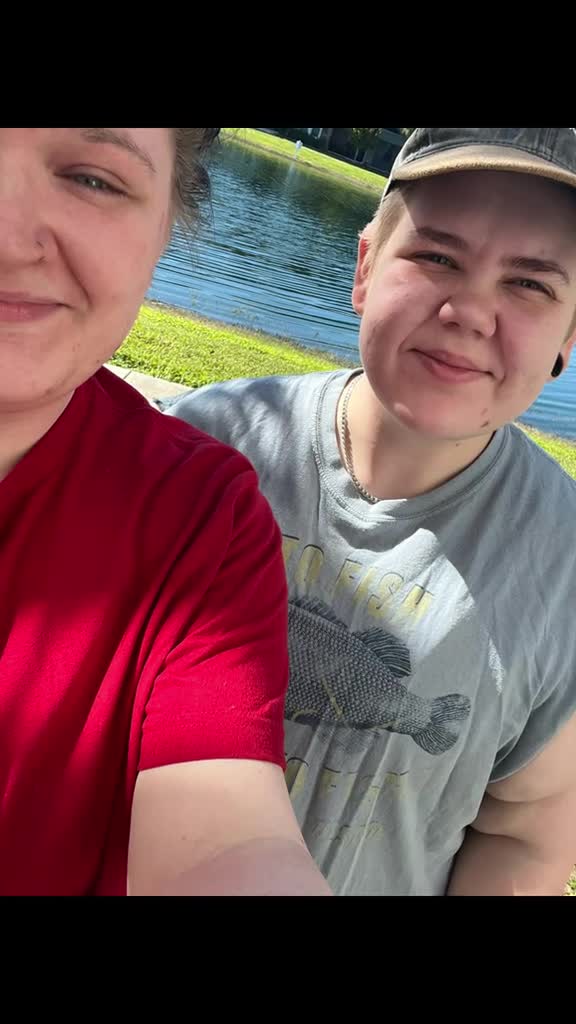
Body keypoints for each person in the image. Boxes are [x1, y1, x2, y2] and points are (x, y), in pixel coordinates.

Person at [167, 128, 576, 896]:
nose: (470, 311)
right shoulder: (202, 446)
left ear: (569, 336)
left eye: (529, 283)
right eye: (438, 256)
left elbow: (525, 832)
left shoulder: (564, 567)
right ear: (364, 269)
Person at [0, 127, 331, 897]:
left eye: (92, 179)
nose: (8, 235)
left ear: (165, 234)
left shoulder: (200, 523)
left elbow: (228, 839)